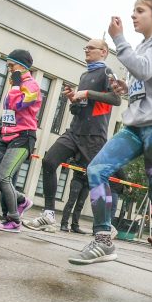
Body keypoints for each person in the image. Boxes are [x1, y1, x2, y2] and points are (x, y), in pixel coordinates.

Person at [68, 0, 152, 267]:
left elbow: (142, 70)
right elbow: (145, 85)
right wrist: (126, 89)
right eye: (133, 11)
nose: (133, 16)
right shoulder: (144, 46)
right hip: (136, 127)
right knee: (96, 170)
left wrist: (118, 40)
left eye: (139, 11)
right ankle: (103, 238)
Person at [24, 39, 119, 232]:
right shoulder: (85, 74)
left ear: (104, 52)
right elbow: (78, 108)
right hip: (74, 131)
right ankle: (49, 215)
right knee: (49, 161)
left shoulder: (107, 73)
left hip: (93, 135)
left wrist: (86, 93)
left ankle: (106, 224)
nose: (87, 51)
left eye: (90, 48)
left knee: (97, 178)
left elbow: (115, 99)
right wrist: (73, 99)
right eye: (85, 48)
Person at [0, 49, 42, 232]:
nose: (8, 68)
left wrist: (15, 86)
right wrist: (0, 130)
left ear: (22, 67)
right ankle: (22, 200)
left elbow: (18, 105)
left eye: (11, 65)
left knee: (4, 176)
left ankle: (14, 220)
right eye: (7, 65)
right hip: (8, 136)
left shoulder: (32, 86)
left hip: (24, 137)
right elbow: (12, 114)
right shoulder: (15, 84)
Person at [59, 158, 89, 233]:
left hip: (88, 183)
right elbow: (71, 161)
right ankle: (64, 224)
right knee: (71, 202)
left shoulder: (96, 153)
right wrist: (81, 170)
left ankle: (75, 226)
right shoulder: (82, 150)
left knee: (80, 204)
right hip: (77, 180)